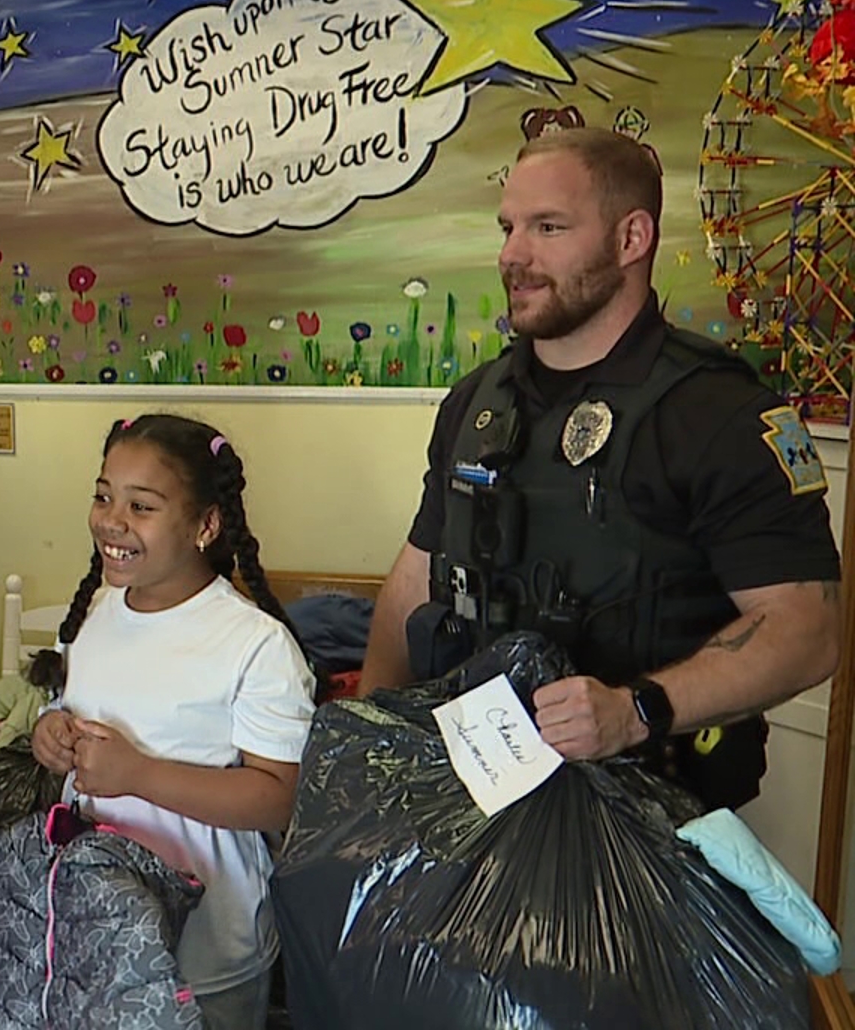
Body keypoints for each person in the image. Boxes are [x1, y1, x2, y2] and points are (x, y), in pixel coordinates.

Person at [360, 127, 842, 810]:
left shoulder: (717, 414)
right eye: (508, 228)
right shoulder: (476, 402)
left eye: (549, 227)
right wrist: (375, 740)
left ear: (631, 238)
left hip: (653, 828)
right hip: (479, 807)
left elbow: (806, 631)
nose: (513, 256)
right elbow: (417, 577)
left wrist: (634, 710)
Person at [28, 414, 315, 1030]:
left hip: (209, 951)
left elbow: (278, 799)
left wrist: (139, 774)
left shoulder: (254, 645)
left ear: (206, 525)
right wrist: (51, 735)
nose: (112, 520)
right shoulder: (98, 613)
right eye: (103, 495)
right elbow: (73, 714)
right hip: (97, 933)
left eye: (142, 505)